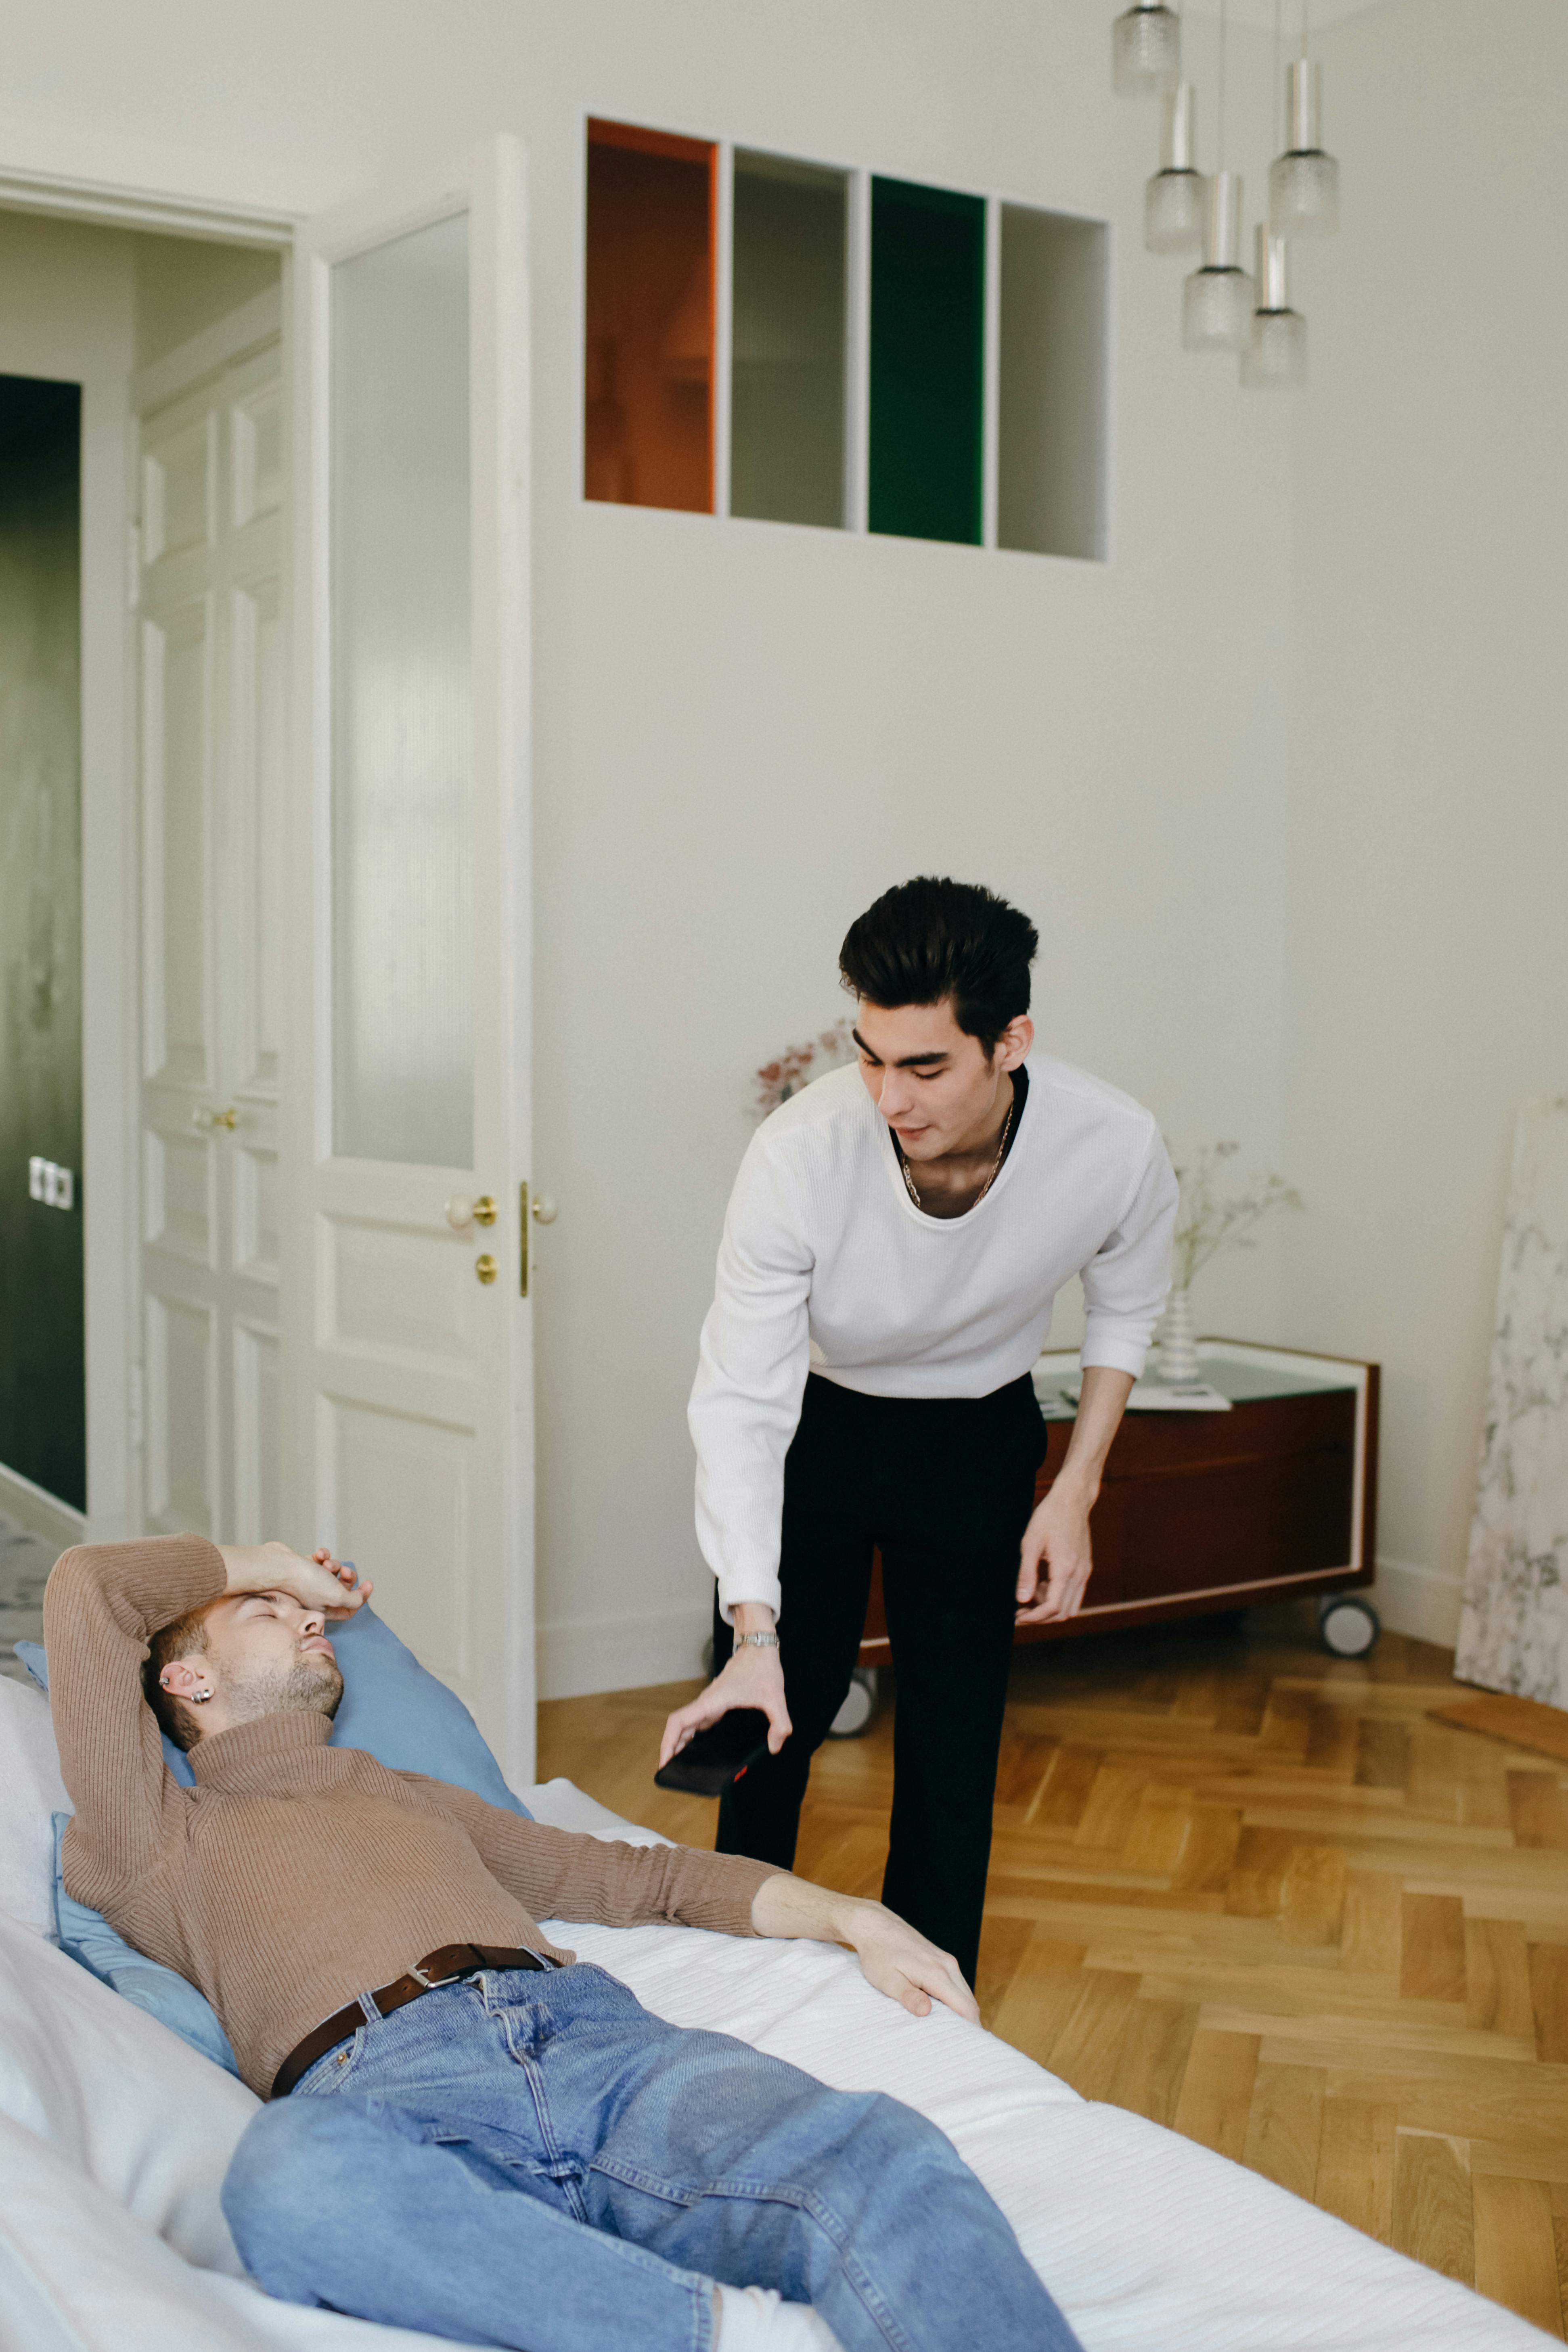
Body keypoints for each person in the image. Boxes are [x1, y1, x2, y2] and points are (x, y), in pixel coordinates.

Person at [43, 1532, 1078, 2352]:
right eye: (271, 1615)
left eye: (306, 1610)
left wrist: (852, 1916)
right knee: (286, 2178)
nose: (310, 1618)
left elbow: (644, 1880)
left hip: (596, 2047)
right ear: (187, 1683)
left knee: (882, 2154)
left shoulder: (413, 1795)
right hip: (387, 2085)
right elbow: (89, 1587)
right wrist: (270, 1559)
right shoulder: (153, 1835)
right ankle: (728, 2334)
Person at [665, 877, 1177, 1988]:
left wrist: (1073, 1487)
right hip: (822, 1426)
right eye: (869, 1056)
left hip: (979, 1433)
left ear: (1010, 1040)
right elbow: (742, 1402)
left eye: (925, 1065)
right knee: (766, 1726)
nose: (888, 1095)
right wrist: (750, 1632)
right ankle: (737, 1987)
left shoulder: (1112, 1141)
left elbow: (1125, 1307)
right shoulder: (799, 1153)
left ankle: (932, 2001)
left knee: (953, 1741)